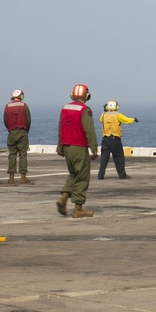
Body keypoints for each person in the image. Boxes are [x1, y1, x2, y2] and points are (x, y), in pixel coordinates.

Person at [56, 84, 100, 218]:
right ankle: (78, 208)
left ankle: (64, 197)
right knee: (82, 177)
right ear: (87, 96)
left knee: (73, 174)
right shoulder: (85, 110)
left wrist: (60, 147)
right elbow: (89, 130)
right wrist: (94, 149)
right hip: (79, 147)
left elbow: (60, 128)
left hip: (67, 146)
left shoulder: (65, 108)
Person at [98, 99, 137, 180]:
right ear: (116, 106)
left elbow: (100, 120)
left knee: (104, 158)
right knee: (119, 157)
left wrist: (104, 111)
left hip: (105, 139)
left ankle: (100, 175)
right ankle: (122, 175)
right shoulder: (117, 115)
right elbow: (126, 120)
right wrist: (133, 119)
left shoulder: (104, 114)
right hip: (115, 139)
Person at [4, 89, 33, 185]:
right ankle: (23, 177)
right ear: (21, 96)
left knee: (12, 154)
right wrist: (26, 131)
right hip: (22, 132)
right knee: (23, 154)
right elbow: (28, 120)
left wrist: (11, 129)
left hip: (11, 133)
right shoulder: (24, 106)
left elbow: (5, 121)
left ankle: (11, 177)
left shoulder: (7, 106)